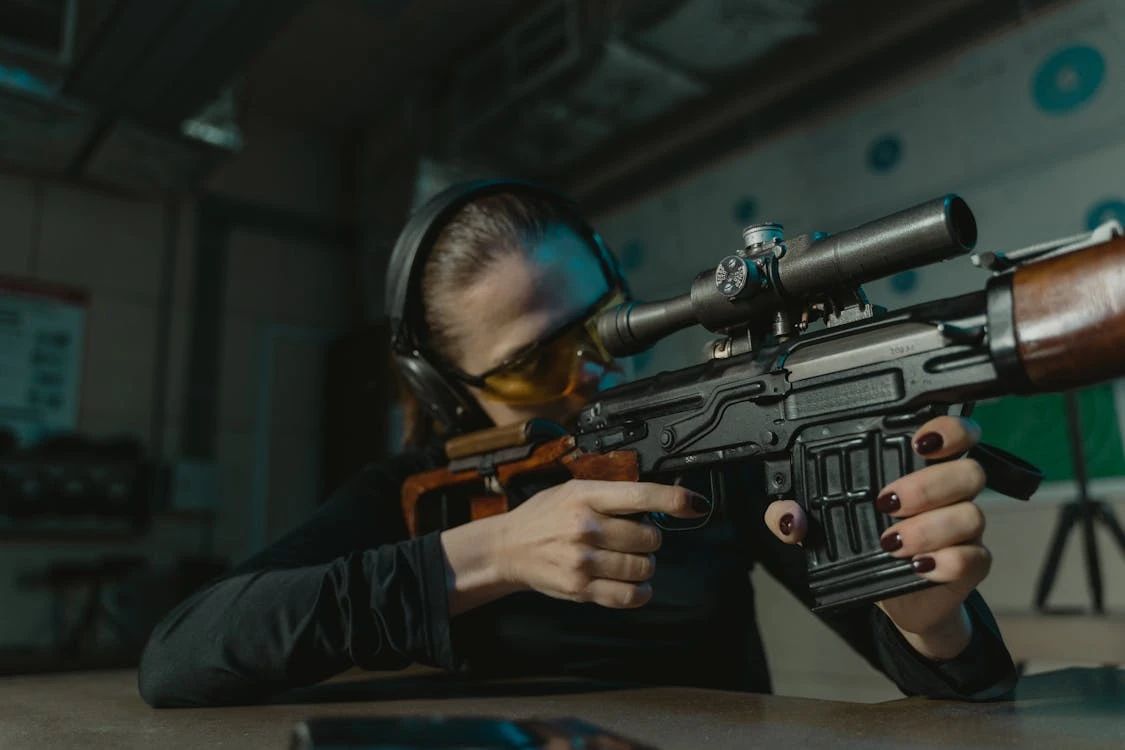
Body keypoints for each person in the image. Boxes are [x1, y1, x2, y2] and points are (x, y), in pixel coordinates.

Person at [137, 180, 1016, 708]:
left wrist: (928, 621)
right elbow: (182, 655)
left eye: (601, 325)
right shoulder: (415, 494)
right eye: (530, 363)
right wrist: (489, 554)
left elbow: (960, 694)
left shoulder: (715, 445)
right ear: (450, 387)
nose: (587, 367)